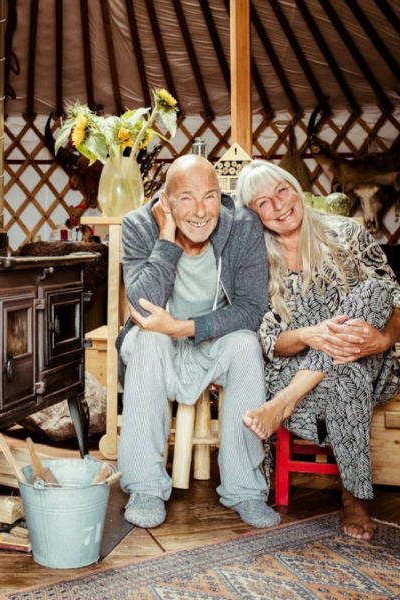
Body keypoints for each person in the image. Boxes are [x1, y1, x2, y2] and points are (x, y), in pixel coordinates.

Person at [236, 160, 400, 540]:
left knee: (373, 293)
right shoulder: (255, 258)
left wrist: (383, 339)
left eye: (282, 190)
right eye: (263, 203)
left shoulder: (348, 233)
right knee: (345, 372)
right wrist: (308, 335)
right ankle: (356, 498)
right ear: (253, 214)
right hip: (298, 368)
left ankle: (285, 401)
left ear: (295, 187)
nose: (279, 205)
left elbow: (398, 302)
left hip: (364, 358)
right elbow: (268, 340)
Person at [116, 154, 279, 530]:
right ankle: (144, 486)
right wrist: (165, 238)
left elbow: (252, 310)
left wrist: (182, 327)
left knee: (244, 344)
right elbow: (144, 306)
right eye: (186, 198)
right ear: (166, 201)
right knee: (148, 338)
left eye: (210, 196)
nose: (202, 211)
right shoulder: (138, 225)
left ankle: (244, 490)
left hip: (211, 340)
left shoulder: (242, 225)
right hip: (156, 348)